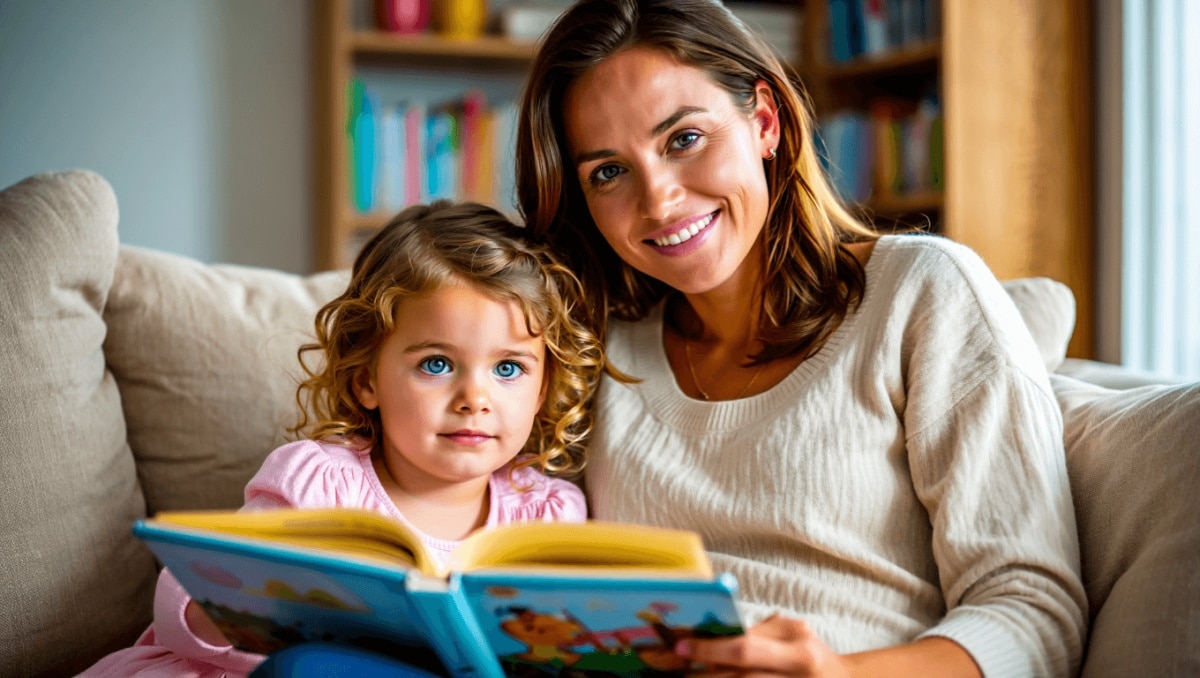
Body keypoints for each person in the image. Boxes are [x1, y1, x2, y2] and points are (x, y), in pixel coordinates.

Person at [515, 1, 1088, 676]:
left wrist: (843, 675)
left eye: (684, 138)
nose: (659, 200)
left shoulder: (921, 292)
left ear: (765, 121)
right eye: (608, 172)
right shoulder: (593, 352)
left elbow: (1034, 617)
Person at [81, 201, 605, 678]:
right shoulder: (319, 484)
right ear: (366, 379)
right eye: (437, 364)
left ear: (543, 389)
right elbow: (191, 607)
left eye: (509, 368)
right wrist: (246, 607)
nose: (474, 398)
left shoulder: (548, 514)